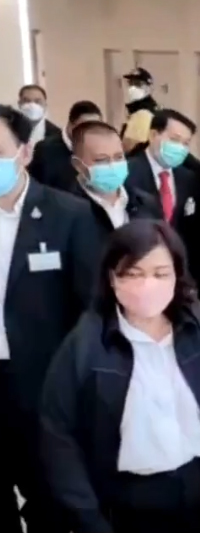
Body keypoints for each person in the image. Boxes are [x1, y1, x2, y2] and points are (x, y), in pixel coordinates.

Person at [39, 220, 200, 533]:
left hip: (196, 487)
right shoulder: (84, 346)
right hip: (126, 499)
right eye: (133, 273)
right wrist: (88, 518)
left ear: (177, 275)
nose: (147, 285)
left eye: (160, 273)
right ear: (112, 277)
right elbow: (58, 436)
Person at [0, 105, 100, 533]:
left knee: (50, 500)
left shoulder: (67, 214)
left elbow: (90, 307)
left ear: (25, 152)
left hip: (41, 382)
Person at [126, 109, 200, 305]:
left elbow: (198, 232)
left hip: (180, 279)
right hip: (140, 273)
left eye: (186, 143)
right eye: (175, 140)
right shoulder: (128, 173)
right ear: (153, 135)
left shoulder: (189, 178)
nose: (180, 148)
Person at [66, 121, 161, 240]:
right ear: (78, 165)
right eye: (102, 160)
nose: (113, 165)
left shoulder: (145, 203)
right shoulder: (65, 211)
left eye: (119, 157)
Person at [28, 100, 103, 192]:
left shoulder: (99, 150)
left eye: (95, 128)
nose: (90, 132)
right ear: (70, 125)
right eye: (85, 127)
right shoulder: (44, 149)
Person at [120, 67, 159, 153]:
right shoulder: (139, 109)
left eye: (138, 84)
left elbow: (128, 146)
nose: (132, 88)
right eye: (130, 83)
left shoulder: (143, 113)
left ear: (149, 88)